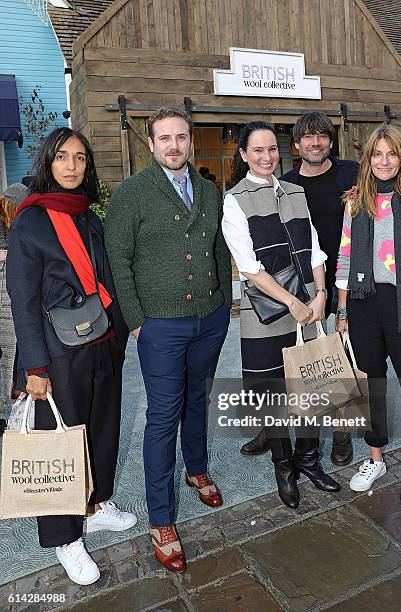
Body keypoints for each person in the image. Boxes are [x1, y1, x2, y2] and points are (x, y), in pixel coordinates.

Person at [6, 127, 137, 586]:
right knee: (59, 445)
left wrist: (119, 335)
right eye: (63, 157)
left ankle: (96, 505)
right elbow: (22, 300)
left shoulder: (87, 215)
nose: (72, 166)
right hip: (58, 352)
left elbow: (106, 277)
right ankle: (65, 537)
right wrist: (34, 368)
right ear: (48, 161)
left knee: (103, 430)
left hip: (101, 343)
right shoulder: (31, 220)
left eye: (81, 159)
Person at [104, 107, 232, 573]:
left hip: (210, 318)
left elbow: (218, 246)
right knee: (163, 416)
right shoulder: (132, 194)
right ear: (152, 145)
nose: (174, 146)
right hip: (160, 324)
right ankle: (161, 518)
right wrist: (137, 320)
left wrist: (222, 301)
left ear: (190, 142)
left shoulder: (207, 189)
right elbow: (118, 259)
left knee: (198, 398)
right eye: (165, 139)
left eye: (181, 137)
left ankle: (196, 467)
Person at [222, 121, 340, 510]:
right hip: (269, 312)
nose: (266, 157)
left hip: (310, 304)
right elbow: (249, 266)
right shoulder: (235, 199)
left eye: (272, 149)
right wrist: (293, 302)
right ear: (243, 155)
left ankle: (308, 460)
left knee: (313, 386)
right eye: (257, 150)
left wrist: (321, 293)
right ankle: (284, 468)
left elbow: (316, 248)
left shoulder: (295, 191)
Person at [335, 124, 401, 509]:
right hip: (364, 301)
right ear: (368, 159)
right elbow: (345, 257)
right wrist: (343, 308)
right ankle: (376, 456)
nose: (384, 161)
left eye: (391, 154)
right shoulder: (356, 200)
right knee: (372, 384)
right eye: (377, 154)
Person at [241, 112, 359, 466]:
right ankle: (272, 430)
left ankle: (341, 434)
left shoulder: (351, 174)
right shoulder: (287, 183)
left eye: (322, 136)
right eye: (308, 137)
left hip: (346, 280)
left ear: (330, 141)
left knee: (341, 360)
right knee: (293, 362)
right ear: (297, 145)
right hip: (303, 285)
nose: (316, 142)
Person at [0, 183, 30, 415]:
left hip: (17, 287)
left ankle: (17, 388)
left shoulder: (22, 222)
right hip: (3, 292)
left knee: (22, 340)